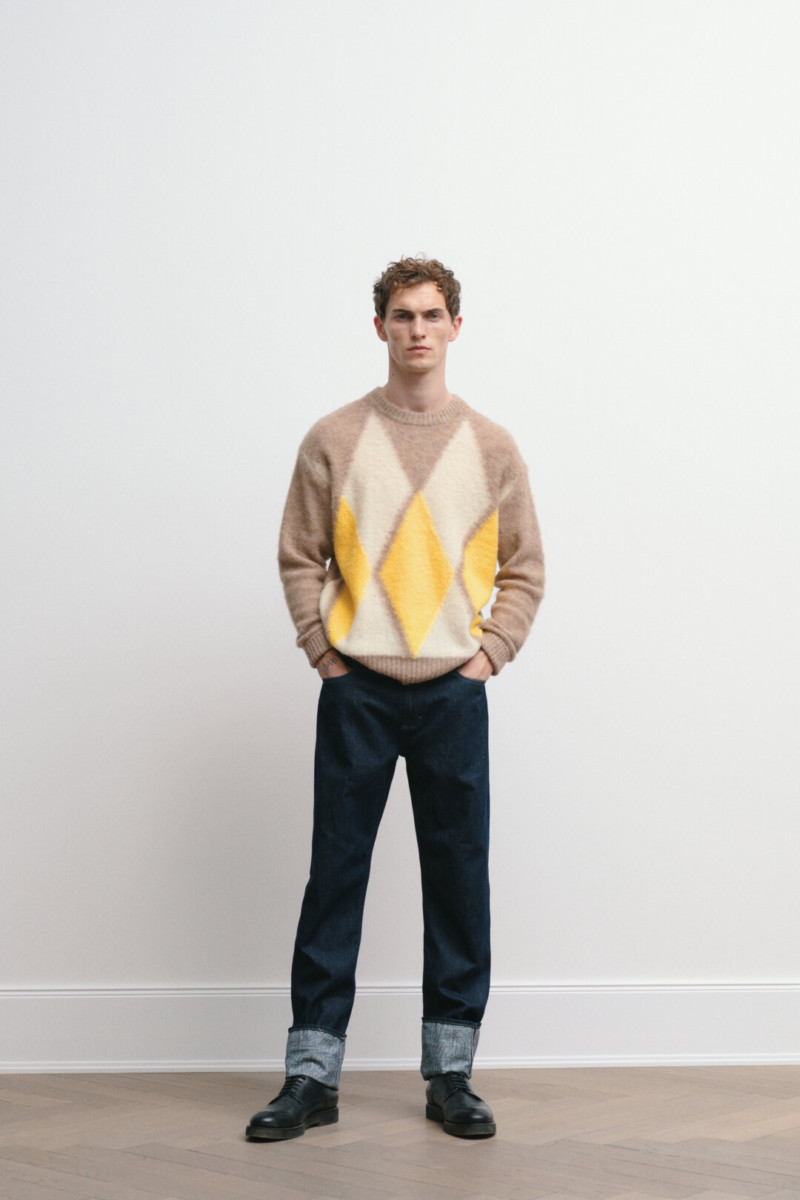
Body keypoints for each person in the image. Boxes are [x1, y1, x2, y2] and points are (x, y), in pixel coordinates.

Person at [246, 257, 544, 1142]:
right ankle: (311, 1077)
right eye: (403, 315)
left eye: (432, 314)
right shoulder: (334, 438)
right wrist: (324, 654)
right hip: (358, 693)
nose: (418, 330)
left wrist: (487, 658)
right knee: (335, 875)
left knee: (458, 877)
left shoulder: (492, 447)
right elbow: (298, 555)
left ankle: (451, 1075)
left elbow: (526, 568)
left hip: (453, 692)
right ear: (379, 327)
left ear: (456, 327)